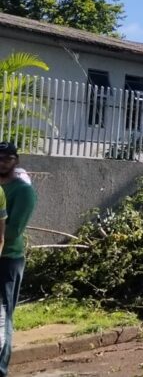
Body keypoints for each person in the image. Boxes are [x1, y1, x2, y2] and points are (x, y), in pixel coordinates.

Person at [0, 143, 33, 377]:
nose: (2, 161)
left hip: (8, 259)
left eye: (8, 158)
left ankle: (0, 367)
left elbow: (13, 230)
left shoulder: (23, 191)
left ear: (16, 161)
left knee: (2, 314)